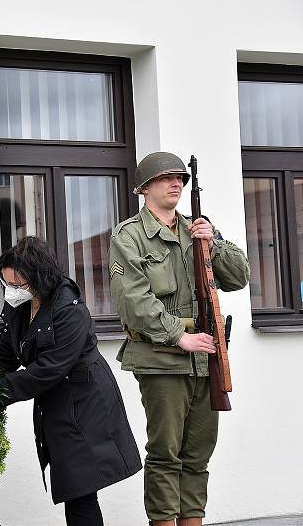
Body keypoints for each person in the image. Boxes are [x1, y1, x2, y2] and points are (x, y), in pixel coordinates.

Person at [108, 152, 250, 526]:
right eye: (166, 178)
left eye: (181, 179)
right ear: (144, 188)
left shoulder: (197, 230)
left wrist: (214, 242)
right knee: (165, 454)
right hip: (160, 359)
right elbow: (133, 301)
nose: (176, 184)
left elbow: (238, 277)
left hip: (207, 359)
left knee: (198, 454)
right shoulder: (130, 236)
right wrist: (178, 336)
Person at [0, 236, 142, 526]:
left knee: (80, 487)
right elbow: (8, 352)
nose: (11, 291)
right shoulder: (19, 304)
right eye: (6, 284)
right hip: (57, 402)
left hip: (85, 402)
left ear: (38, 277)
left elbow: (49, 369)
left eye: (17, 284)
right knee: (76, 487)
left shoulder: (69, 308)